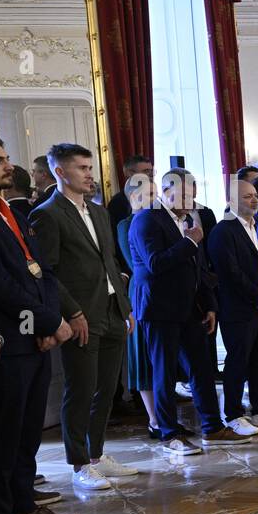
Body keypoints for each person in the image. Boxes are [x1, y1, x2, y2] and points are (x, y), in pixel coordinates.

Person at [0, 133, 79, 514]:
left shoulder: (8, 212)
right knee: (2, 434)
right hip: (5, 337)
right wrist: (48, 319)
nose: (8, 166)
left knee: (26, 430)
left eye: (6, 158)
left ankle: (23, 504)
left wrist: (50, 316)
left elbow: (40, 270)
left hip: (31, 332)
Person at [30, 143, 138, 490]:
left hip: (111, 310)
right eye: (82, 168)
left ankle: (96, 453)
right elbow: (47, 272)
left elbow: (111, 264)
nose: (90, 175)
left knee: (107, 390)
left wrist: (125, 306)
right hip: (81, 314)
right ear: (60, 172)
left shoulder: (99, 211)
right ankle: (79, 465)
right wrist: (72, 312)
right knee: (81, 391)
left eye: (91, 168)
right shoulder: (47, 214)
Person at [130, 169, 248, 455]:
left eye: (192, 194)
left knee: (202, 369)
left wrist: (208, 304)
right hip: (159, 308)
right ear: (165, 191)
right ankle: (168, 433)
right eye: (183, 193)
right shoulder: (147, 218)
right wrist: (190, 241)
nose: (190, 199)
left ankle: (212, 427)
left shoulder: (187, 221)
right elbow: (156, 263)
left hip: (190, 308)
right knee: (165, 373)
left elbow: (199, 268)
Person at [207, 179, 258, 435]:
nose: (254, 200)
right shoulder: (224, 231)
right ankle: (233, 414)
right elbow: (230, 272)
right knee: (238, 361)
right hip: (238, 307)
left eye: (255, 195)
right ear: (231, 201)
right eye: (247, 197)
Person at [116, 174, 162, 436]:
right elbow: (136, 263)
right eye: (151, 195)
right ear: (135, 197)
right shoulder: (127, 224)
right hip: (142, 291)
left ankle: (163, 415)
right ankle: (154, 418)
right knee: (144, 355)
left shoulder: (159, 220)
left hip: (163, 291)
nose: (157, 200)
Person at [107, 154, 154, 231]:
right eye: (146, 171)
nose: (151, 175)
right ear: (130, 173)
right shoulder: (117, 203)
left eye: (151, 171)